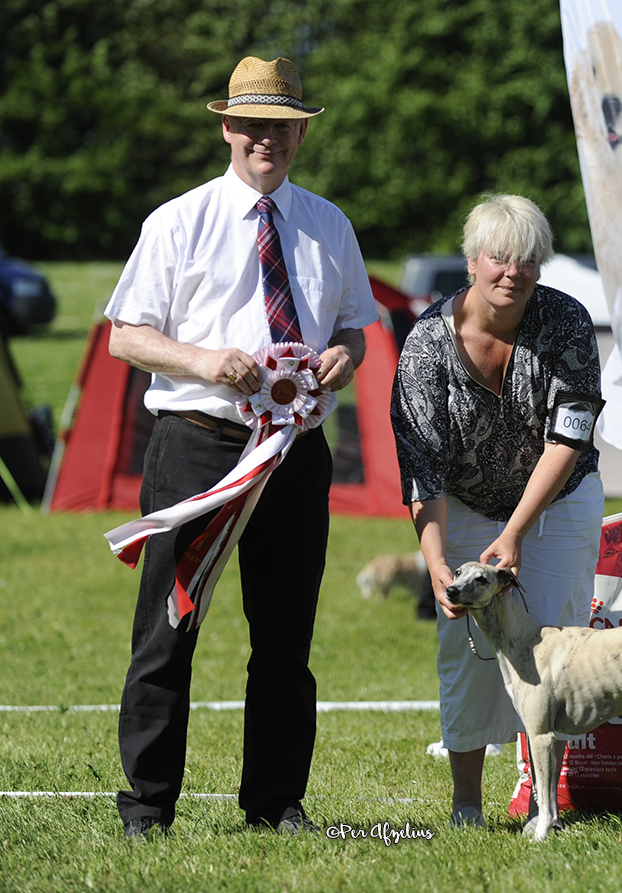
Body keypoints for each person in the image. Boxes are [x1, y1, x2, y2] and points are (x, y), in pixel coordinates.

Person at [105, 56, 378, 839]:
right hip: (197, 448)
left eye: (282, 127)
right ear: (227, 127)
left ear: (301, 135)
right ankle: (148, 805)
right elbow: (125, 335)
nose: (268, 139)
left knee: (286, 638)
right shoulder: (178, 221)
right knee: (168, 629)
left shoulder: (330, 224)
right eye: (253, 125)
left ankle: (276, 803)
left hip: (295, 453)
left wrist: (345, 355)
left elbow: (356, 325)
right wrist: (204, 361)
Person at [390, 194, 606, 828]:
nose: (513, 272)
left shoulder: (567, 322)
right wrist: (436, 564)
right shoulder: (426, 344)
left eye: (528, 260)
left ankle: (544, 803)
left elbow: (569, 436)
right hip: (464, 502)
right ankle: (467, 804)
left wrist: (515, 533)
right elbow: (421, 465)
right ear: (471, 261)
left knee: (556, 652)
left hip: (559, 498)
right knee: (465, 652)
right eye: (499, 258)